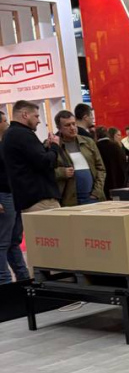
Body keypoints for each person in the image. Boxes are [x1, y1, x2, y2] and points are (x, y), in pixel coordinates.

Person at [2, 100, 64, 213]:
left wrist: (45, 148)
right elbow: (44, 162)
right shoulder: (23, 134)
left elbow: (31, 159)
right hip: (40, 199)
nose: (39, 121)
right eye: (36, 116)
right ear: (25, 115)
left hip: (27, 197)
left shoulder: (10, 134)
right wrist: (55, 146)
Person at [0, 109, 29, 284]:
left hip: (13, 195)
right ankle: (4, 281)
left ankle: (23, 278)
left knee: (13, 240)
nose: (7, 123)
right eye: (4, 121)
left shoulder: (5, 144)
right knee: (3, 242)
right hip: (3, 196)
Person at [53, 110, 106, 205]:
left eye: (74, 124)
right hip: (68, 200)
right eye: (67, 125)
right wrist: (61, 172)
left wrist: (97, 192)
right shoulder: (54, 145)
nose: (72, 128)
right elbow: (45, 172)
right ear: (59, 128)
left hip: (92, 197)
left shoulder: (88, 142)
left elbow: (100, 168)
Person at [96, 125, 128, 196]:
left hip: (103, 181)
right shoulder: (115, 146)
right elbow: (122, 162)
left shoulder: (96, 146)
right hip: (117, 179)